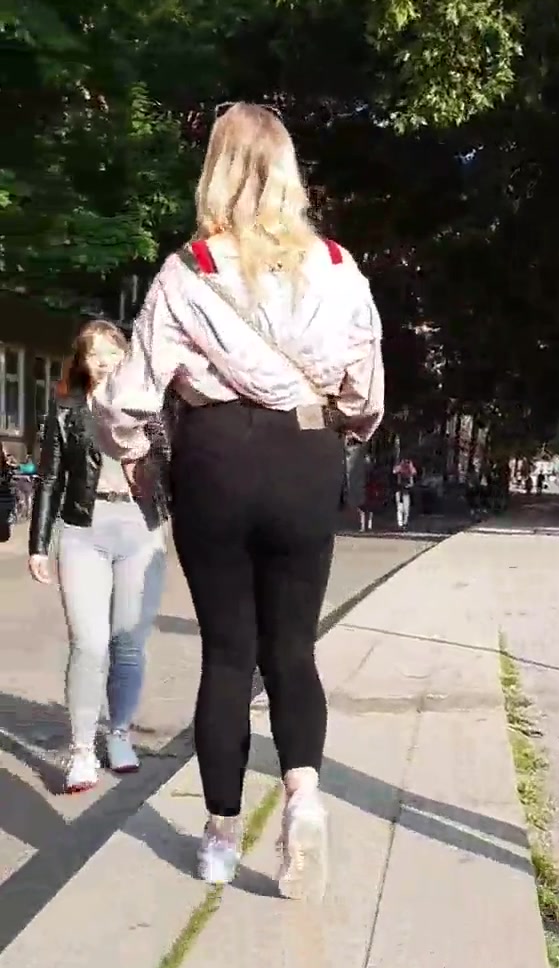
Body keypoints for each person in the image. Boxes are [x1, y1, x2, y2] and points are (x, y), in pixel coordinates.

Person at [92, 102, 384, 897]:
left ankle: (220, 839)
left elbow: (128, 398)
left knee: (227, 653)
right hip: (306, 453)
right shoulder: (338, 265)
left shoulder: (188, 269)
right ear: (288, 172)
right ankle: (305, 798)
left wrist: (136, 457)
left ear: (216, 172)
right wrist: (338, 427)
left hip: (216, 456)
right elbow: (365, 392)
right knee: (293, 647)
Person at [28, 321, 169, 794]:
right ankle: (82, 750)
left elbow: (175, 465)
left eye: (112, 352)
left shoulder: (149, 406)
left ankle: (120, 733)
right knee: (89, 644)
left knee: (128, 642)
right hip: (83, 531)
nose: (104, 361)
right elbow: (49, 478)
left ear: (126, 357)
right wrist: (38, 545)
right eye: (94, 354)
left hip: (141, 530)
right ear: (82, 362)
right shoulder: (68, 411)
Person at [393, 457, 416, 529]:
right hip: (400, 491)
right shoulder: (399, 469)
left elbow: (412, 480)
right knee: (400, 508)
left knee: (405, 509)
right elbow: (394, 471)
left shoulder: (409, 470)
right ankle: (401, 523)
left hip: (405, 491)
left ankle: (404, 523)